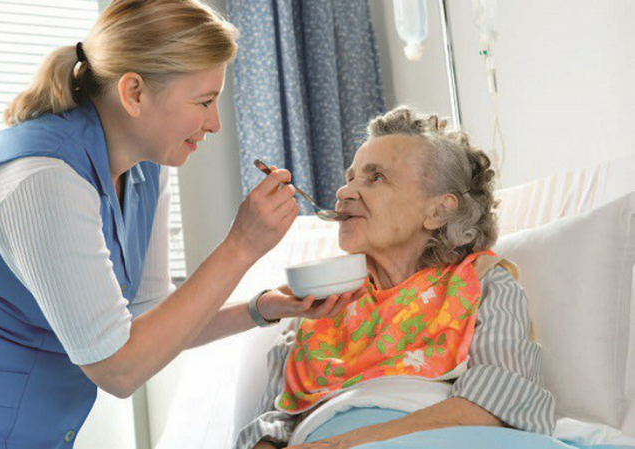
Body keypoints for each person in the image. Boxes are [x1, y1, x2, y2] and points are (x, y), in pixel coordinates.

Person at [0, 1, 362, 448]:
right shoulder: (42, 178)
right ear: (134, 93)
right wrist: (240, 246)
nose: (215, 123)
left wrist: (263, 308)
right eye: (204, 102)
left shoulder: (145, 170)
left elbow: (150, 321)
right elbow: (119, 369)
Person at [234, 106, 557, 449]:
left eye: (375, 178)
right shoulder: (319, 303)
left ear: (439, 210)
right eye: (350, 178)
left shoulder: (484, 284)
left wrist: (346, 444)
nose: (344, 192)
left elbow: (497, 403)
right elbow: (272, 421)